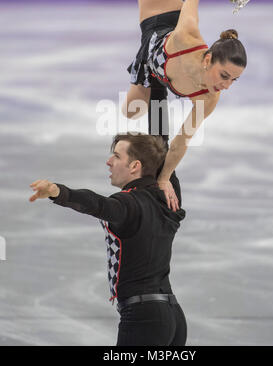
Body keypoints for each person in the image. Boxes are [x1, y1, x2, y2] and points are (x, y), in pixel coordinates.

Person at [123, 0, 273, 211]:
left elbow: (182, 139)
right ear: (208, 60)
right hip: (160, 14)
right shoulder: (186, 36)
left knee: (131, 112)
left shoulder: (209, 98)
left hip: (158, 69)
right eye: (224, 76)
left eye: (234, 80)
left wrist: (164, 178)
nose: (226, 86)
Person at [29, 133, 187, 346]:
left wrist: (58, 192)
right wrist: (157, 98)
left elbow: (97, 204)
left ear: (135, 166)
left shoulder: (128, 204)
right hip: (173, 317)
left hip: (144, 320)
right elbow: (162, 139)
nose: (109, 161)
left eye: (116, 156)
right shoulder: (169, 195)